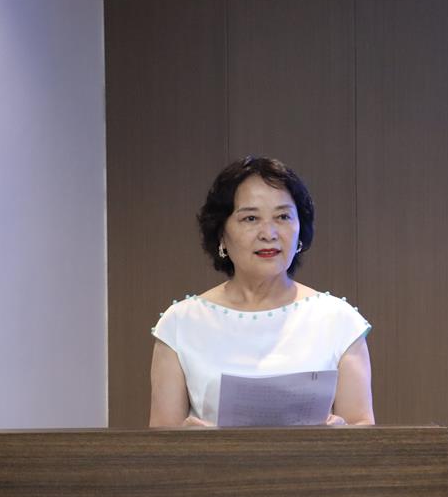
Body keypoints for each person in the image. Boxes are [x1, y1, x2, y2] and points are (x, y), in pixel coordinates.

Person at [149, 156, 374, 427]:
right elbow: (161, 442)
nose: (268, 233)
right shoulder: (180, 324)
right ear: (221, 234)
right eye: (250, 218)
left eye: (283, 217)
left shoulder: (339, 320)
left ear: (300, 229)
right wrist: (191, 443)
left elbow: (362, 430)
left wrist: (340, 436)